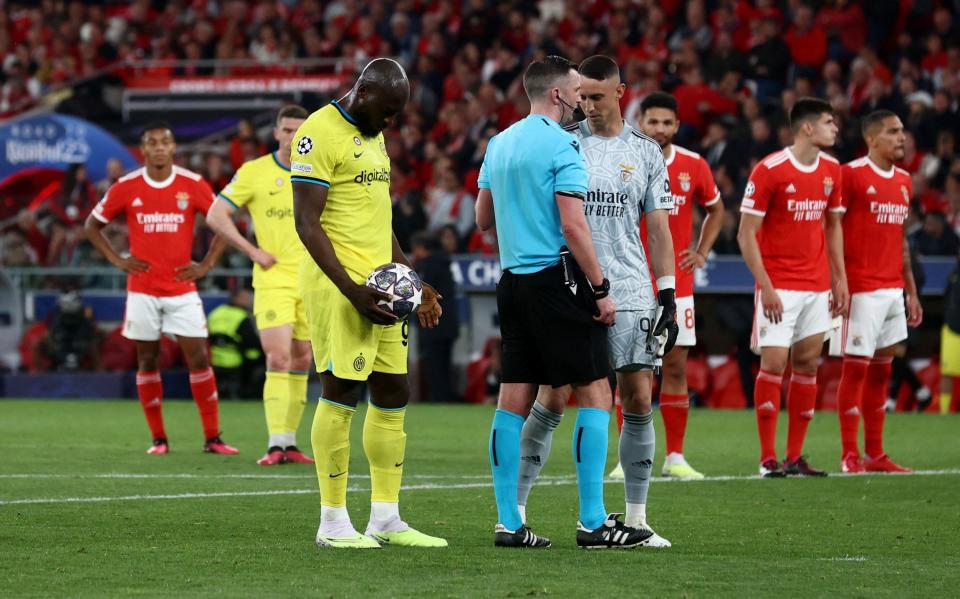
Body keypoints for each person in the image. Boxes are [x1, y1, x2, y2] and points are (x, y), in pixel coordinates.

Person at [477, 55, 652, 550]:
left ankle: (509, 523)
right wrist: (600, 289)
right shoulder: (564, 146)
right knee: (596, 394)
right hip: (558, 280)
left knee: (514, 399)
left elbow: (482, 218)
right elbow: (574, 226)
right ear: (557, 95)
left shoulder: (499, 142)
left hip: (512, 281)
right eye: (576, 91)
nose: (581, 99)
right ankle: (594, 522)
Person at [291, 58, 447, 549]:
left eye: (396, 115)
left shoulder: (373, 132)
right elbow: (307, 224)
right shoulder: (317, 134)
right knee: (340, 393)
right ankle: (333, 523)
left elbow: (378, 220)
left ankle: (386, 518)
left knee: (394, 393)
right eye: (386, 112)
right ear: (362, 93)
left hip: (383, 287)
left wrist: (415, 283)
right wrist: (352, 290)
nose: (390, 124)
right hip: (343, 289)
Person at [84, 121, 236, 456]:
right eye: (151, 142)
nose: (158, 147)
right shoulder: (126, 186)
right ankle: (159, 439)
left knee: (198, 357)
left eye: (164, 141)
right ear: (143, 150)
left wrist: (206, 264)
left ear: (172, 148)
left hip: (181, 288)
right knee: (147, 359)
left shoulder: (192, 184)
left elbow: (224, 223)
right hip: (142, 288)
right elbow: (92, 225)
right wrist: (118, 260)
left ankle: (213, 437)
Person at [737, 97, 846, 477]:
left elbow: (833, 227)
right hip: (779, 285)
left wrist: (839, 279)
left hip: (817, 286)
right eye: (830, 122)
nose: (836, 129)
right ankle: (768, 459)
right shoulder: (770, 170)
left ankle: (795, 456)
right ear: (807, 128)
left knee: (807, 365)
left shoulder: (833, 170)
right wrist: (764, 285)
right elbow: (745, 233)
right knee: (774, 365)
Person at [622, 90, 725, 480]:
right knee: (629, 369)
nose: (661, 129)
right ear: (641, 123)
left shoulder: (694, 165)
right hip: (631, 281)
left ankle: (675, 456)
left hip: (676, 284)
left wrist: (700, 251)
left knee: (676, 367)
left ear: (677, 126)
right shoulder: (624, 159)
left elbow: (716, 210)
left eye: (667, 123)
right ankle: (624, 458)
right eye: (654, 122)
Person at [206, 105, 316, 466]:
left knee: (303, 358)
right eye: (287, 130)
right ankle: (274, 443)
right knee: (278, 356)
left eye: (300, 131)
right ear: (276, 133)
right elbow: (216, 214)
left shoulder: (319, 170)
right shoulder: (255, 172)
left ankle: (290, 441)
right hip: (274, 280)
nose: (293, 136)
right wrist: (252, 250)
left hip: (313, 279)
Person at [834, 110, 923, 473]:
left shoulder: (904, 180)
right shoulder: (851, 175)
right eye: (893, 132)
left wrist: (911, 292)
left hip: (892, 290)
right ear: (871, 138)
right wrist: (837, 281)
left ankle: (875, 453)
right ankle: (849, 454)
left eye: (902, 131)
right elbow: (832, 230)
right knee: (855, 370)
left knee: (883, 372)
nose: (902, 137)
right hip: (861, 289)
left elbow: (900, 240)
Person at [410, 231, 459, 403]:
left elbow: (421, 294)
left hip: (433, 323)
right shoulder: (444, 263)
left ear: (422, 248)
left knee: (434, 366)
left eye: (416, 249)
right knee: (444, 365)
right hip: (450, 324)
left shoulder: (427, 267)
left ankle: (438, 399)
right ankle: (446, 398)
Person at [207, 288, 263, 400]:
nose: (249, 301)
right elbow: (251, 340)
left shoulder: (216, 311)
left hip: (213, 358)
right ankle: (248, 396)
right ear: (237, 298)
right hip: (234, 360)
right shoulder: (241, 316)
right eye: (246, 298)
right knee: (260, 357)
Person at [939, 256, 960, 414]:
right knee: (946, 373)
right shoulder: (955, 272)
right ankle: (944, 412)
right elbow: (946, 296)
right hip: (952, 329)